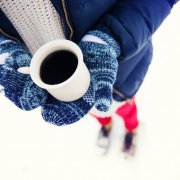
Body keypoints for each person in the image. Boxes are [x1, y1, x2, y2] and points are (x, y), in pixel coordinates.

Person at [0, 0, 178, 156]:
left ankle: (132, 128)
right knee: (92, 108)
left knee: (125, 106)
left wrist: (112, 35)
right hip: (62, 83)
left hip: (122, 63)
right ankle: (106, 125)